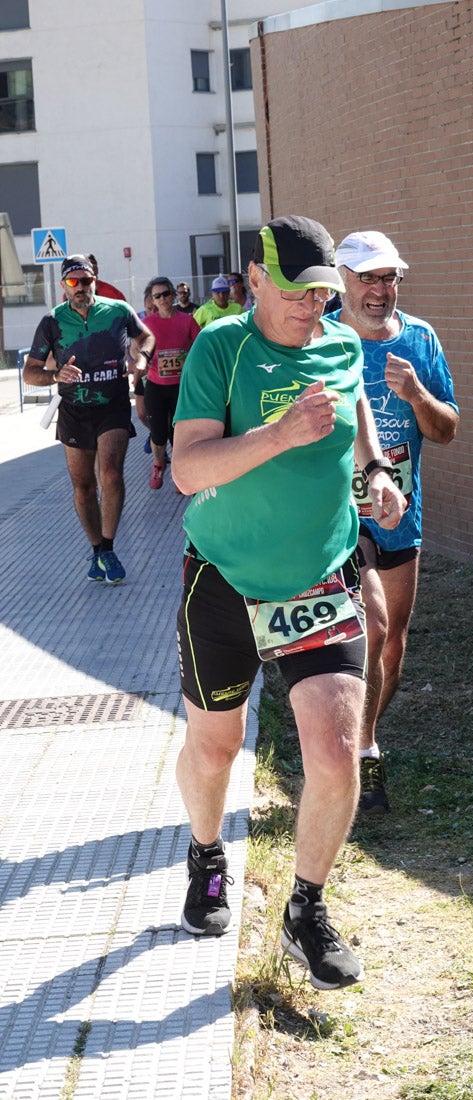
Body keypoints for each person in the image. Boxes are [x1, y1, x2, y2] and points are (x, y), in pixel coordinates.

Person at [171, 215, 406, 989]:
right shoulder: (220, 348)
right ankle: (207, 855)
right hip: (226, 578)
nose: (315, 309)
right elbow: (188, 471)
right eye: (301, 293)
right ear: (257, 279)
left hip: (321, 577)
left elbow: (356, 412)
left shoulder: (339, 344)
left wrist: (375, 473)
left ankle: (307, 910)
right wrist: (277, 433)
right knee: (216, 747)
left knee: (336, 757)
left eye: (325, 295)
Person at [333, 231, 459, 813]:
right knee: (374, 628)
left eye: (390, 278)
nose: (380, 290)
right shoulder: (319, 337)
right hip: (339, 516)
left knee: (392, 650)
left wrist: (415, 397)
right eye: (368, 278)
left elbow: (447, 429)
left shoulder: (420, 339)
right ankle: (358, 757)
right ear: (342, 279)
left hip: (400, 516)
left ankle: (359, 737)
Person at [23, 254, 155, 583]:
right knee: (83, 486)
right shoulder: (51, 321)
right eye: (73, 282)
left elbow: (147, 338)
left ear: (95, 280)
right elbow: (30, 372)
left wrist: (141, 363)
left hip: (111, 406)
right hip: (73, 411)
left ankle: (108, 548)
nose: (80, 287)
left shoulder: (118, 311)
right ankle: (96, 549)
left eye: (86, 280)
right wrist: (56, 375)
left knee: (111, 474)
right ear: (63, 286)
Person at [136, 276, 200, 489]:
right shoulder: (146, 324)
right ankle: (158, 463)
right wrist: (141, 360)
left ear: (173, 295)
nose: (162, 299)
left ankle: (179, 474)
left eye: (165, 294)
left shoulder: (186, 320)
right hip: (156, 385)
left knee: (179, 432)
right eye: (157, 296)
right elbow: (134, 348)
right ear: (152, 301)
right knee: (158, 431)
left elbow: (200, 346)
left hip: (181, 387)